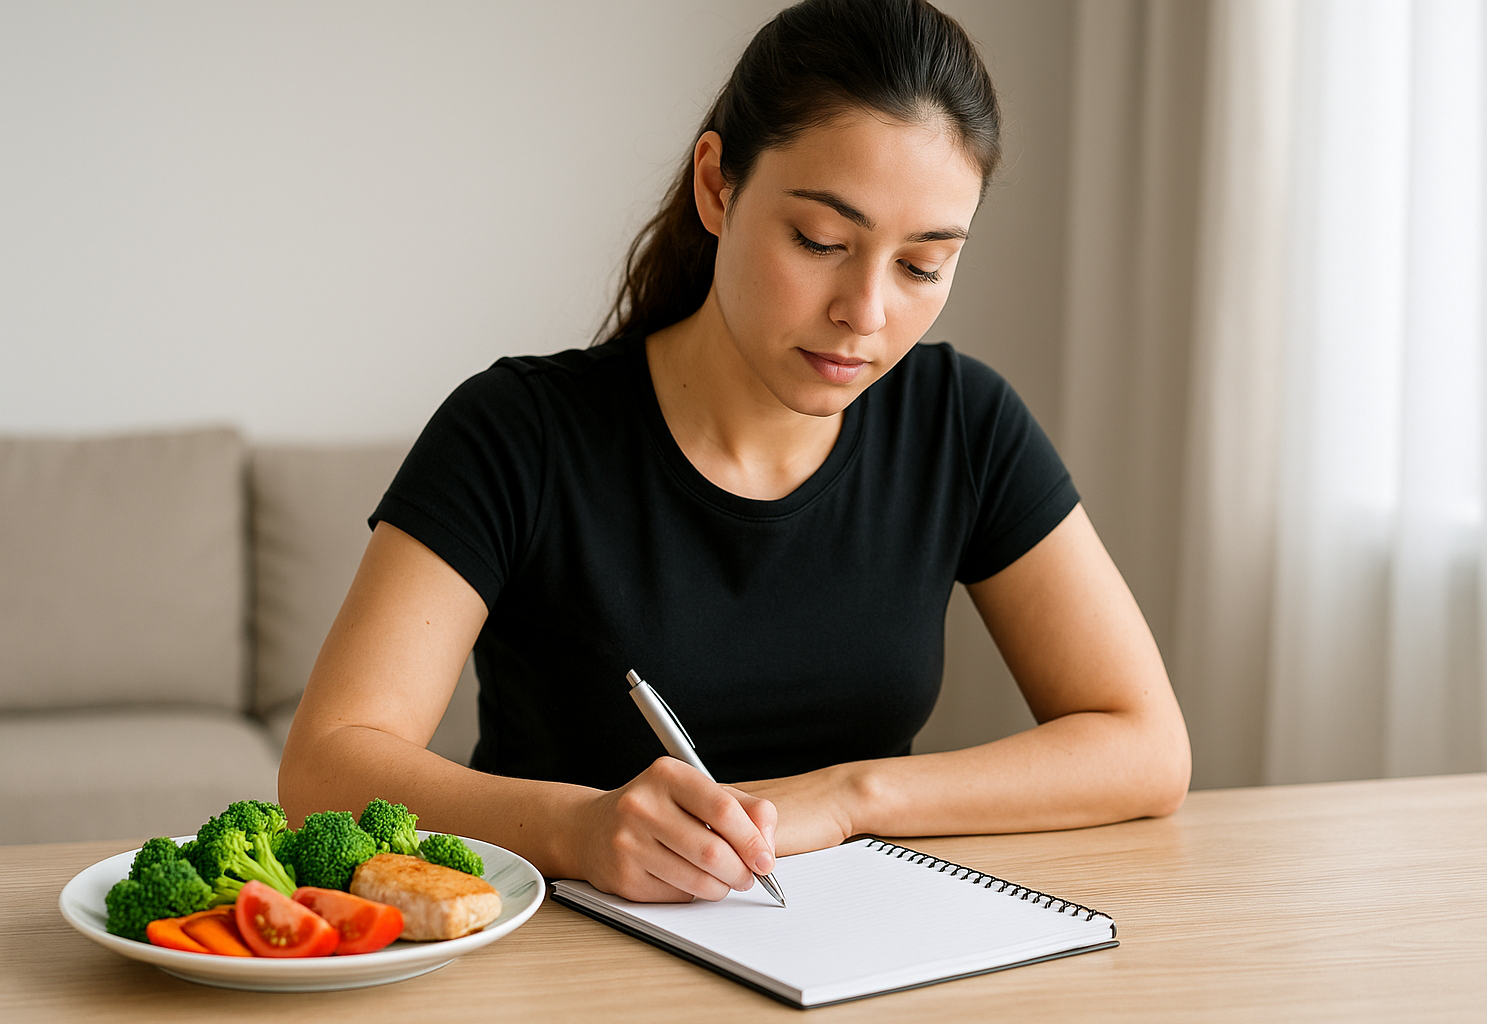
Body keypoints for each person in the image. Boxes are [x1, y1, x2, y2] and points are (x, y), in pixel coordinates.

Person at [279, 0, 1190, 904]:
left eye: (922, 265)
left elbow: (1144, 747)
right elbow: (324, 766)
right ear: (717, 186)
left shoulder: (961, 421)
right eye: (821, 241)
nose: (866, 314)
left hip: (847, 959)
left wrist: (848, 797)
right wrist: (579, 829)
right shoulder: (518, 432)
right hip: (568, 959)